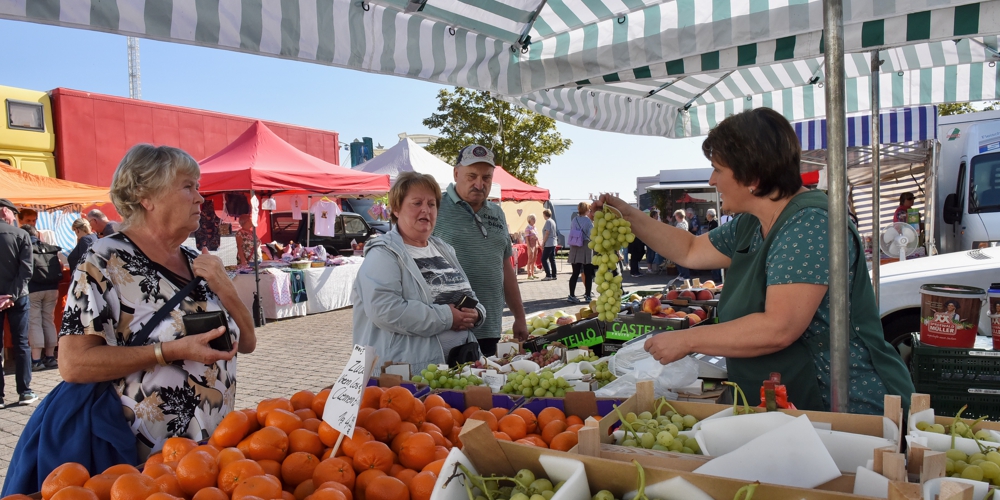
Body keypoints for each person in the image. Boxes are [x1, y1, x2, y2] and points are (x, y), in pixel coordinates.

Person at [593, 107, 914, 414]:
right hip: (787, 398)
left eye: (718, 169)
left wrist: (688, 339)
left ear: (753, 177)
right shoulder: (752, 223)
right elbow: (690, 249)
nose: (712, 181)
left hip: (843, 404)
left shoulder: (811, 224)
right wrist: (629, 215)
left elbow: (779, 327)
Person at [59, 144, 256, 458]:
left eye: (198, 187)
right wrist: (169, 351)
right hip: (140, 460)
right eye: (187, 187)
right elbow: (73, 364)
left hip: (212, 450)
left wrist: (227, 290)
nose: (200, 197)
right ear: (145, 196)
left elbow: (247, 343)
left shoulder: (198, 262)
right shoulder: (104, 260)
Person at [353, 172, 486, 372]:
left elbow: (470, 296)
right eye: (417, 203)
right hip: (406, 373)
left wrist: (477, 314)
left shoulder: (443, 248)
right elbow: (385, 310)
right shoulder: (383, 253)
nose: (426, 209)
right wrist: (447, 317)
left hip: (459, 365)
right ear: (396, 209)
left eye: (432, 204)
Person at [433, 145, 528, 356]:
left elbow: (505, 269)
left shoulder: (497, 212)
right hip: (450, 328)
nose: (479, 184)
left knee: (485, 385)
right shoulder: (435, 207)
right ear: (456, 173)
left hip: (490, 326)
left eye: (486, 177)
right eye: (472, 176)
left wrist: (519, 317)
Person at [0, 199, 37, 406]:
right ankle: (25, 392)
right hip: (18, 298)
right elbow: (26, 271)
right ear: (6, 211)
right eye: (14, 213)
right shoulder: (22, 234)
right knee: (21, 344)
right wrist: (11, 295)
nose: (15, 217)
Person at [23, 225, 62, 372]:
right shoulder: (50, 247)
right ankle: (51, 357)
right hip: (52, 288)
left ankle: (37, 359)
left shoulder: (26, 248)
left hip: (33, 289)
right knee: (48, 320)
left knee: (35, 322)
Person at [567, 202, 595, 303]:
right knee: (588, 273)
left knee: (575, 273)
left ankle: (571, 295)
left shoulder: (574, 219)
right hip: (586, 246)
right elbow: (592, 234)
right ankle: (588, 295)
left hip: (575, 247)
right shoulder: (588, 221)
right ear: (587, 210)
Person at [670, 210, 691, 279]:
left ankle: (685, 275)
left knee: (681, 260)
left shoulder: (682, 224)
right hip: (680, 243)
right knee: (678, 260)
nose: (675, 217)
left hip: (681, 244)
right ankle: (682, 274)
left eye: (675, 216)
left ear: (678, 216)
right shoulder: (681, 223)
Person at [704, 209, 723, 284]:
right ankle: (716, 276)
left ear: (709, 215)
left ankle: (716, 277)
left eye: (707, 214)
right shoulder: (712, 222)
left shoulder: (715, 222)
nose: (706, 216)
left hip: (716, 244)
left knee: (715, 261)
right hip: (714, 243)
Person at [540, 210, 558, 281]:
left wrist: (543, 242)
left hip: (549, 243)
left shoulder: (548, 221)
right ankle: (554, 274)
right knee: (552, 259)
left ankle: (548, 274)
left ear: (545, 214)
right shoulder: (553, 221)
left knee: (543, 259)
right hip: (553, 242)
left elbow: (547, 232)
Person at [524, 214, 540, 280]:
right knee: (530, 259)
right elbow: (527, 239)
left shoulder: (535, 227)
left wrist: (539, 244)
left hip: (536, 245)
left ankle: (533, 273)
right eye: (533, 219)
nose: (534, 220)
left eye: (535, 219)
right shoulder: (528, 228)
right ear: (529, 220)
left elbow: (537, 237)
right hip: (531, 245)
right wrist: (529, 247)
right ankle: (529, 274)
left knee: (534, 259)